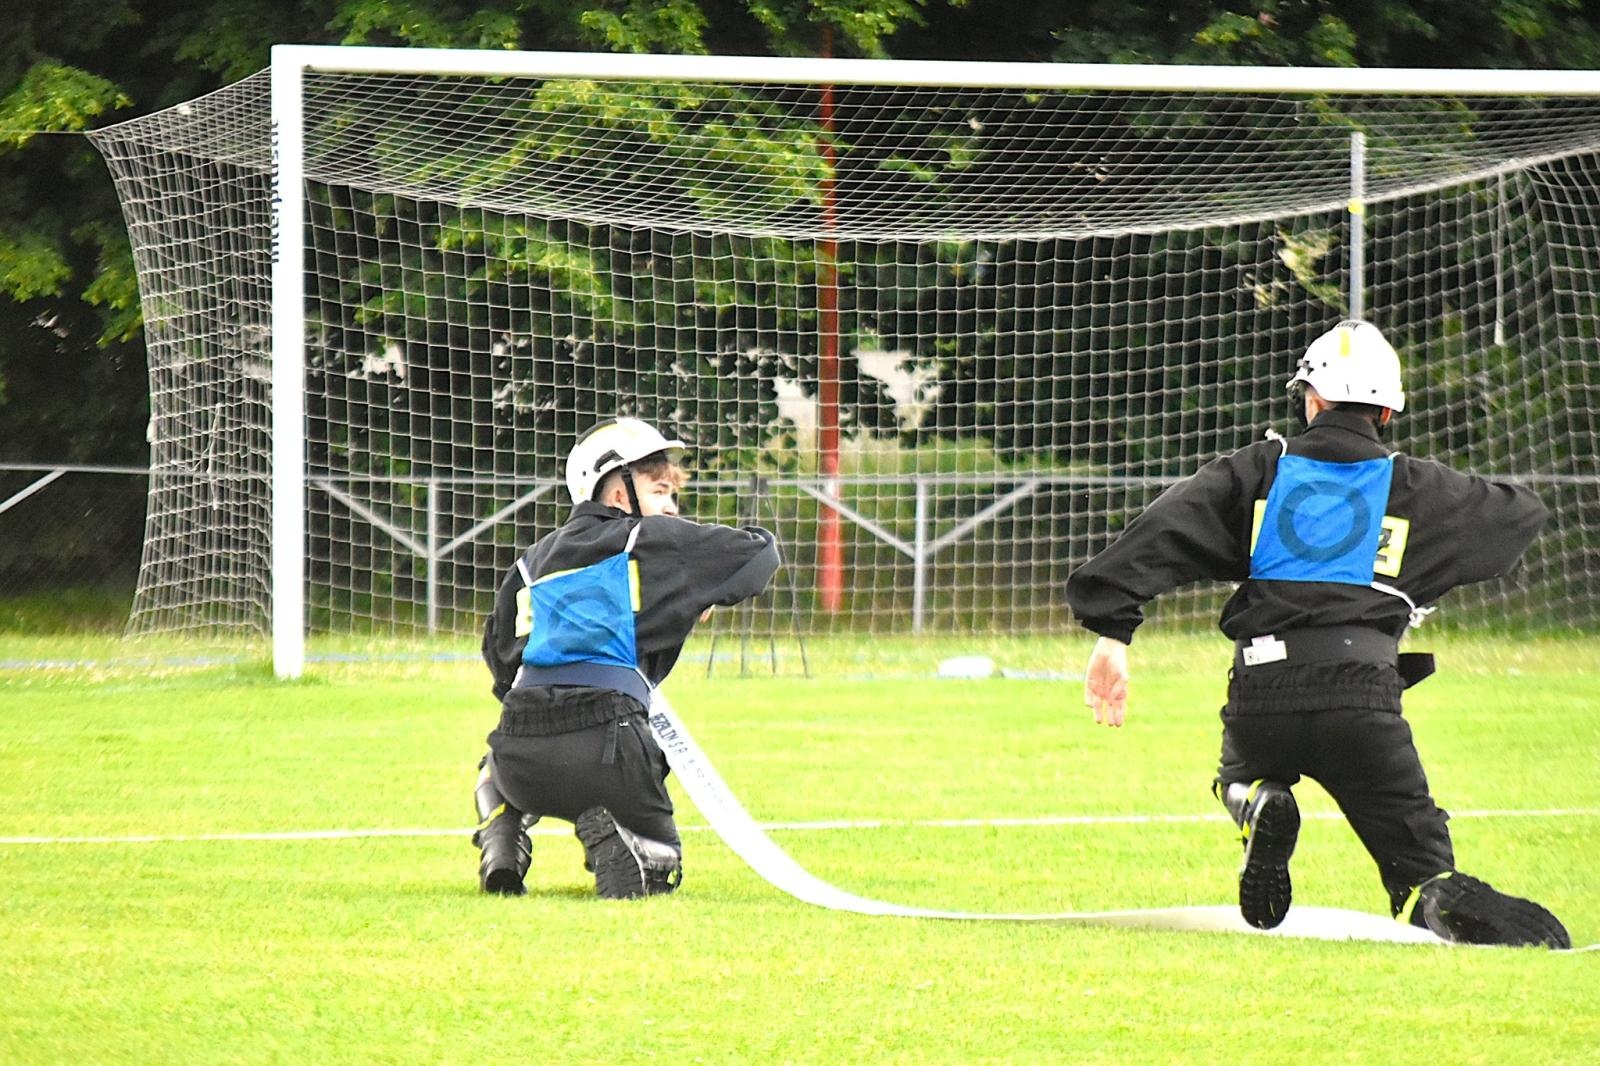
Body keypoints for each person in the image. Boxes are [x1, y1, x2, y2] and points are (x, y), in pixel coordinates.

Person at [1064, 320, 1570, 948]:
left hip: (1262, 691)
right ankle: (1442, 896)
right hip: (1364, 700)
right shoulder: (1415, 486)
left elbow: (1160, 533)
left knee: (1238, 772)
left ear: (1311, 398)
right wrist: (1411, 577)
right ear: (1387, 409)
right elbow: (1520, 514)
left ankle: (1256, 799)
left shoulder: (1257, 471)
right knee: (1419, 874)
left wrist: (1113, 631)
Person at [473, 417, 780, 899]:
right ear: (618, 493)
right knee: (661, 867)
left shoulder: (527, 564)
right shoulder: (653, 541)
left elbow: (501, 664)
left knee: (493, 755)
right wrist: (698, 594)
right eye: (660, 492)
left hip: (520, 754)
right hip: (610, 746)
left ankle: (501, 842)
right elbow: (759, 556)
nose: (670, 507)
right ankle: (623, 841)